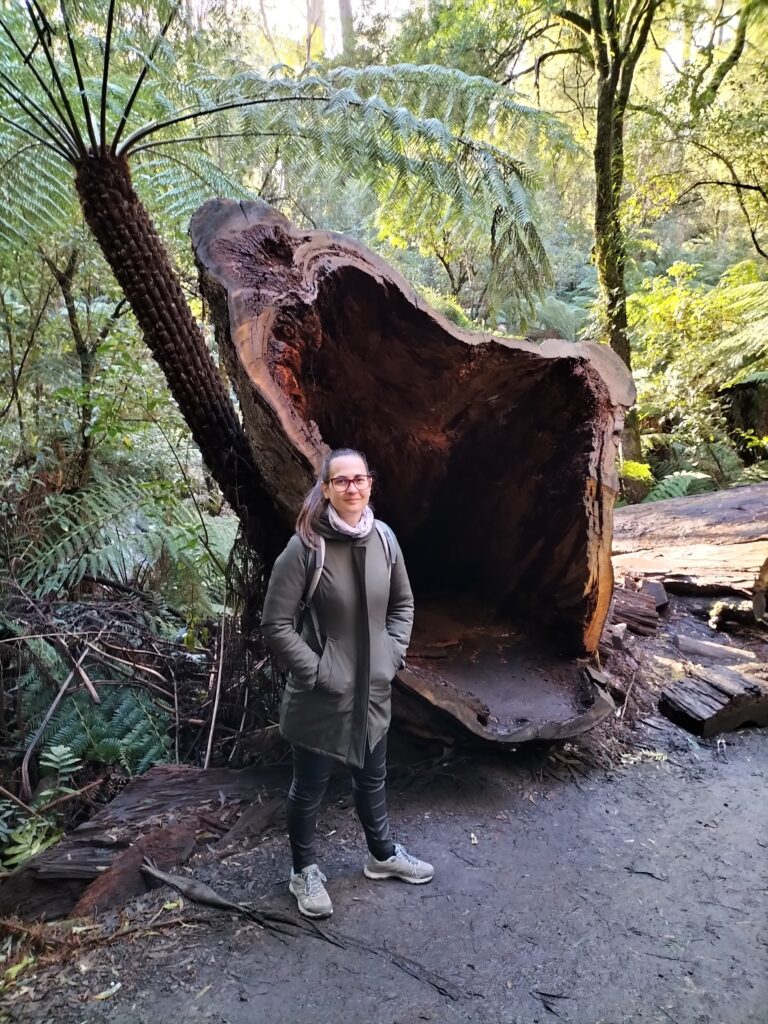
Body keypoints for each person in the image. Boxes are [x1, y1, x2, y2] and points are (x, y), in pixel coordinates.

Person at [261, 447, 434, 918]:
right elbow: (275, 623)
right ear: (326, 488)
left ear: (370, 484)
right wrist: (317, 671)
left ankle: (381, 856)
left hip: (373, 688)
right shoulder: (305, 547)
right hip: (322, 695)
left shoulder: (384, 540)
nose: (352, 487)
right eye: (342, 481)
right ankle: (303, 872)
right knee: (310, 786)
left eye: (360, 479)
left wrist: (391, 655)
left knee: (373, 776)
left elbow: (403, 605)